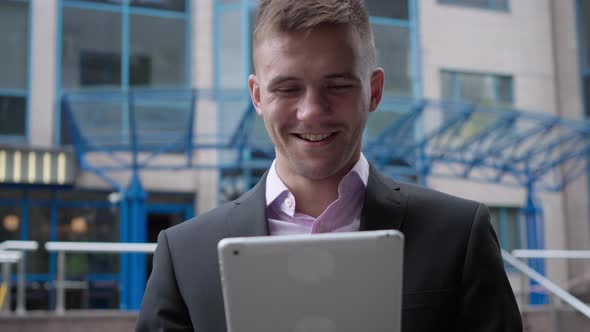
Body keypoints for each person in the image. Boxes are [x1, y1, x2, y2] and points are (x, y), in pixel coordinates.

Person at [136, 0, 523, 331]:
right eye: (287, 88)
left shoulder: (458, 235)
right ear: (257, 96)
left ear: (373, 91)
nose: (311, 112)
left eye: (337, 85)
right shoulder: (184, 254)